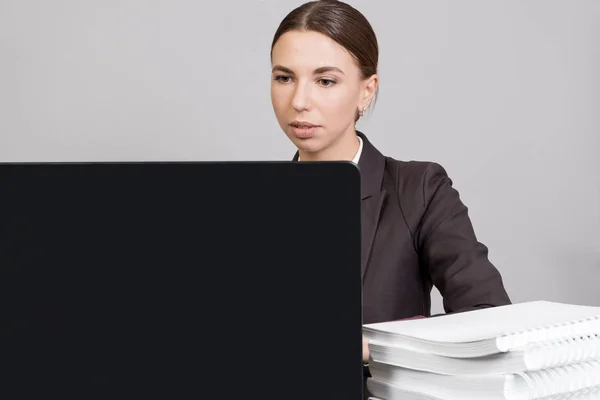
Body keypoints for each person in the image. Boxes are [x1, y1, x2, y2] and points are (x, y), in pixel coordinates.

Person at [269, 0, 512, 396]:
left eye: (325, 81)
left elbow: (489, 319)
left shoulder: (419, 190)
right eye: (284, 77)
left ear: (367, 91)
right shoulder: (247, 200)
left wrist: (369, 347)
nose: (299, 100)